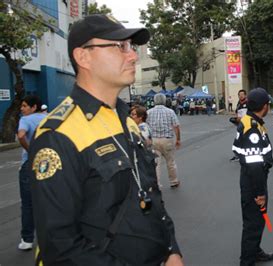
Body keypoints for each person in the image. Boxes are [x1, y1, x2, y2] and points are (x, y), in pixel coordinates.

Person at [29, 15, 183, 265]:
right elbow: (60, 248)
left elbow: (151, 196)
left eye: (131, 47)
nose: (133, 55)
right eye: (120, 46)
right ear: (83, 57)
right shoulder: (58, 135)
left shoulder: (128, 121)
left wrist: (172, 249)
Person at [232, 88, 273, 266]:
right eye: (268, 104)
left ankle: (255, 251)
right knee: (253, 224)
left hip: (253, 179)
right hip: (253, 182)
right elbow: (255, 165)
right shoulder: (252, 129)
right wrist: (260, 194)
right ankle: (247, 261)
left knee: (257, 222)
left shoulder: (252, 121)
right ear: (264, 106)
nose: (269, 107)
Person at [16, 95, 47, 250]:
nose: (22, 109)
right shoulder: (47, 118)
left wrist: (30, 150)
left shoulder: (25, 120)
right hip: (47, 163)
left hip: (29, 164)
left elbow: (21, 135)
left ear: (34, 107)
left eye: (25, 106)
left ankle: (27, 240)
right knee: (48, 200)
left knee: (28, 204)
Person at [148, 93, 181, 188]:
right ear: (164, 100)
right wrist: (178, 139)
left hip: (154, 140)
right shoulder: (170, 112)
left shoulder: (149, 112)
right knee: (170, 162)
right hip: (167, 140)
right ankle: (174, 181)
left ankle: (157, 183)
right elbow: (176, 126)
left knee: (156, 163)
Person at [230, 90, 248, 162]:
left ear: (245, 95)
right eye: (239, 95)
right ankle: (237, 155)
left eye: (242, 94)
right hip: (240, 125)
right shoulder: (238, 104)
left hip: (248, 124)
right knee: (238, 140)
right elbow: (237, 114)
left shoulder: (249, 103)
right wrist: (235, 119)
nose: (241, 96)